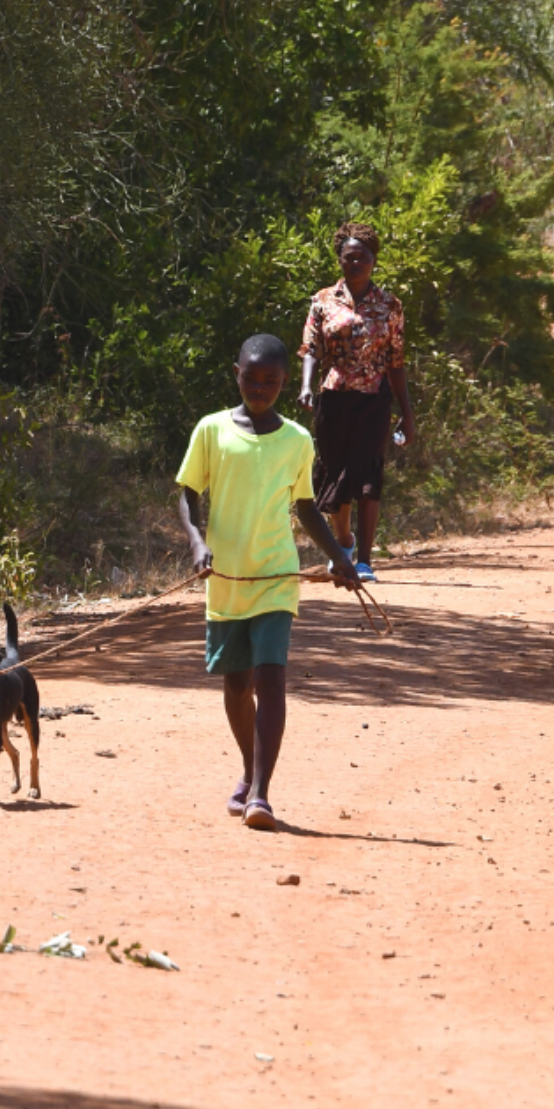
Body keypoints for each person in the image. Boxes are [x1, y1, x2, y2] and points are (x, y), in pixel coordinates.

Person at [177, 333, 359, 831]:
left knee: (271, 675)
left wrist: (339, 557)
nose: (260, 388)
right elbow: (188, 494)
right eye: (251, 378)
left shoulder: (298, 440)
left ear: (285, 382)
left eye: (272, 381)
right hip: (226, 577)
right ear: (235, 372)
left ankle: (260, 793)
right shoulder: (211, 430)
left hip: (276, 574)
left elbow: (305, 507)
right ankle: (248, 767)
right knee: (237, 683)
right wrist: (197, 543)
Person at [298, 221, 416, 582]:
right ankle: (343, 543)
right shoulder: (322, 301)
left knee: (367, 476)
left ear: (373, 260)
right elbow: (311, 349)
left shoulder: (390, 306)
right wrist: (306, 386)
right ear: (340, 260)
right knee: (335, 473)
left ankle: (364, 561)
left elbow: (396, 363)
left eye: (362, 257)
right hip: (334, 398)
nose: (355, 263)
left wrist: (407, 414)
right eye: (349, 257)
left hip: (373, 400)